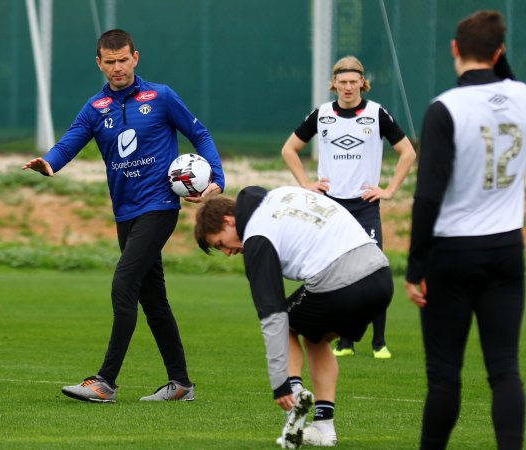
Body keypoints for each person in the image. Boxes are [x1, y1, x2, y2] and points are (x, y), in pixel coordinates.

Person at [22, 29, 225, 402]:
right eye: (110, 62)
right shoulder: (95, 107)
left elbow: (201, 134)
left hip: (160, 207)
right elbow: (70, 142)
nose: (117, 68)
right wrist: (48, 164)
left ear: (136, 57)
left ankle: (105, 382)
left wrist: (218, 180)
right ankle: (180, 384)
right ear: (99, 63)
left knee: (123, 285)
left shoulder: (161, 97)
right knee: (153, 299)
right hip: (125, 213)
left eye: (123, 60)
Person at [405, 10, 525, 450]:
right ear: (498, 52)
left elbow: (429, 195)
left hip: (451, 254)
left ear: (454, 49)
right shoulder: (523, 97)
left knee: (443, 377)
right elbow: (506, 86)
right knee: (504, 370)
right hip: (507, 250)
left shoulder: (446, 108)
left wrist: (415, 266)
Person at [195, 186, 392, 448]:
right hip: (381, 275)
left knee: (286, 325)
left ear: (228, 221)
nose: (228, 252)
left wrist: (280, 385)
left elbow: (272, 316)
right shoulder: (278, 196)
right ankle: (323, 426)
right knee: (315, 336)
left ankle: (295, 395)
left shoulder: (256, 236)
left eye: (220, 243)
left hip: (342, 282)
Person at [281, 55, 416, 359]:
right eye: (342, 82)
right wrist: (305, 183)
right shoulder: (322, 114)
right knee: (332, 269)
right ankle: (344, 341)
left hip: (365, 204)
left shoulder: (377, 113)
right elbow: (289, 149)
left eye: (353, 82)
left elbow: (407, 153)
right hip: (330, 208)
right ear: (334, 84)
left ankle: (379, 342)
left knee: (374, 269)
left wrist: (390, 189)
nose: (348, 87)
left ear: (362, 83)